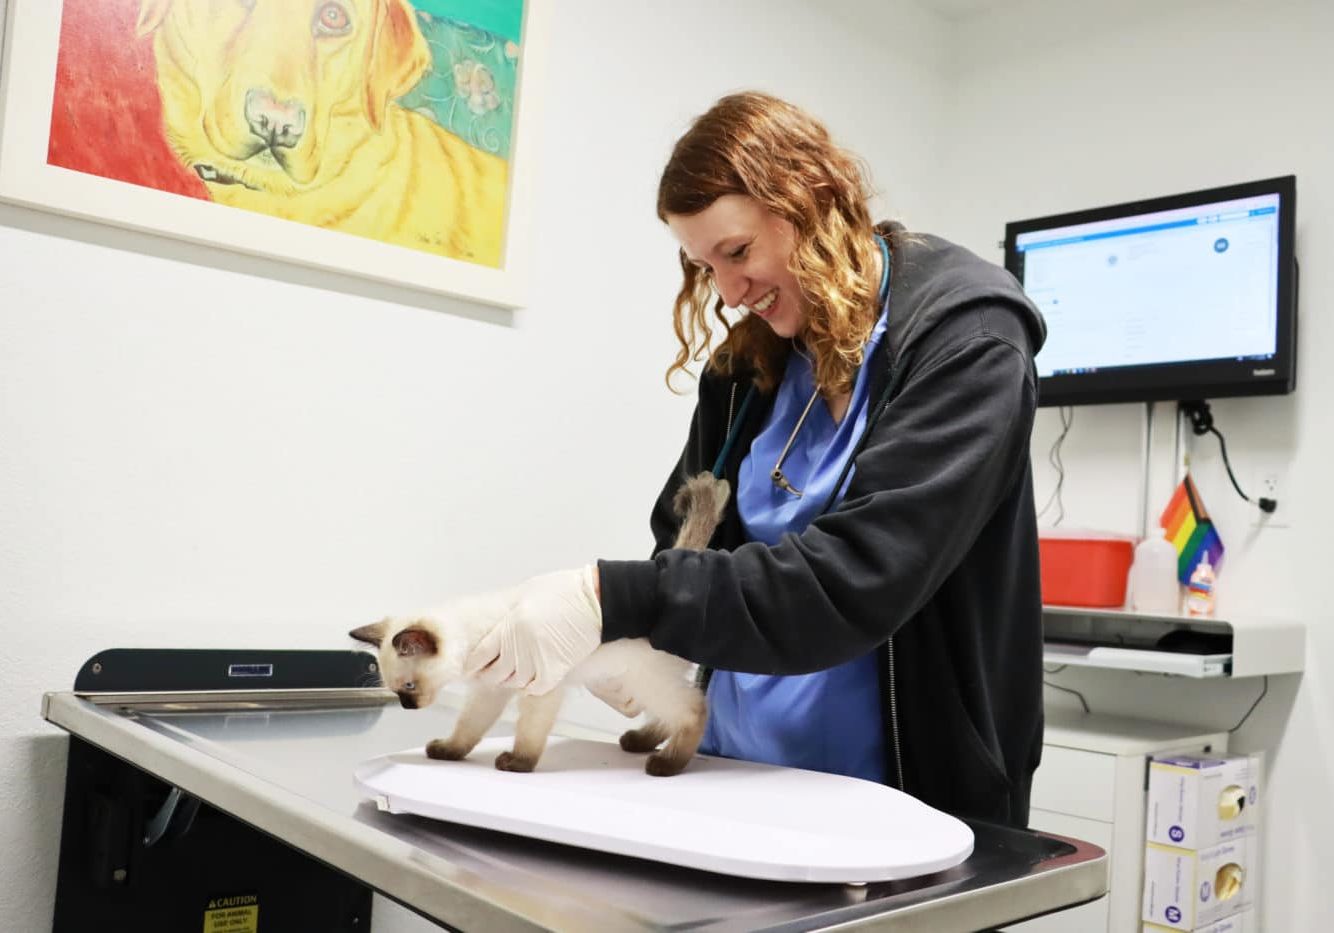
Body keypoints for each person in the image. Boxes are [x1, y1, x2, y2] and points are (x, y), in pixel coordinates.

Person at [461, 91, 1048, 827]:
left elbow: (855, 581)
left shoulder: (969, 342)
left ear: (810, 202)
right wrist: (637, 647)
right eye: (705, 267)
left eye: (736, 253)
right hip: (732, 777)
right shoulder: (748, 369)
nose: (730, 292)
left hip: (903, 801)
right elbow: (686, 536)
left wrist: (607, 596)